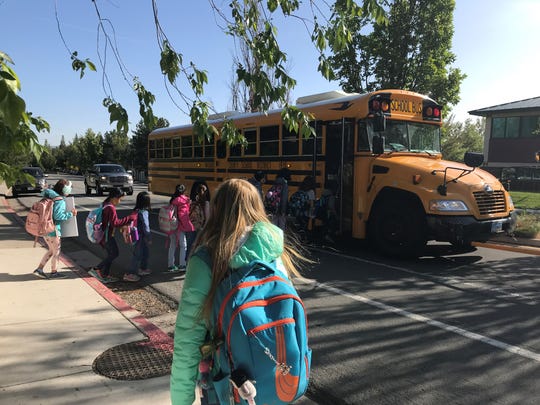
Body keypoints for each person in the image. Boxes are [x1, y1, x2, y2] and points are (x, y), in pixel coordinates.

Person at [170, 178, 306, 405]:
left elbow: (188, 336)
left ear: (217, 210)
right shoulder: (272, 248)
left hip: (229, 384)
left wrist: (181, 399)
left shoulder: (207, 258)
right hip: (278, 382)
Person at [89, 188, 135, 283]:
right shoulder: (110, 208)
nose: (119, 201)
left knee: (111, 254)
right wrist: (129, 218)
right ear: (114, 198)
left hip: (102, 235)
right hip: (107, 236)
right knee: (114, 254)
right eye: (119, 199)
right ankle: (96, 269)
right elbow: (115, 223)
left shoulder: (104, 204)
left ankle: (105, 275)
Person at [33, 179, 77, 279]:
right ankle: (54, 272)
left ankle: (39, 269)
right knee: (56, 252)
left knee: (51, 250)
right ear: (65, 189)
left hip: (44, 229)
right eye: (69, 188)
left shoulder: (49, 196)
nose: (70, 190)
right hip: (54, 230)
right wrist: (71, 214)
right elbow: (58, 216)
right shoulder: (59, 200)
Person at [124, 191, 152, 282]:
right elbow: (146, 226)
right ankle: (130, 273)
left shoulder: (136, 210)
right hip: (141, 237)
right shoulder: (144, 212)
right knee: (137, 255)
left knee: (144, 253)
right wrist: (149, 237)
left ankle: (143, 268)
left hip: (136, 235)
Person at [168, 184, 194, 272]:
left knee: (172, 245)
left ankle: (171, 265)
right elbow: (184, 216)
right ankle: (182, 265)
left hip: (172, 225)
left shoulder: (173, 200)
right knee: (183, 246)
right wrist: (189, 226)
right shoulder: (185, 201)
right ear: (184, 191)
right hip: (180, 227)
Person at [186, 181, 211, 259]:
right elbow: (207, 217)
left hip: (192, 225)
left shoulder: (192, 201)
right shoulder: (206, 203)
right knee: (200, 244)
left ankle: (187, 259)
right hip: (201, 227)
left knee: (190, 243)